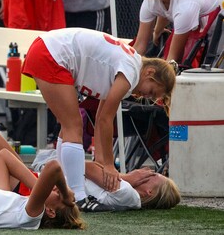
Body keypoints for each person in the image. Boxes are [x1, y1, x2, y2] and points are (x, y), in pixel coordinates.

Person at [21, 27, 176, 208]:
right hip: (51, 53)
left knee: (68, 126)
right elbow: (105, 119)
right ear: (149, 72)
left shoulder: (130, 66)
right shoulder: (131, 72)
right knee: (74, 126)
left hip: (48, 49)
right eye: (151, 92)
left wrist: (102, 162)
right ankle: (78, 197)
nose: (145, 96)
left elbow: (101, 116)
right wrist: (109, 166)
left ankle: (65, 181)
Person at [0, 121, 181, 211]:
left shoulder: (130, 196)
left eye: (153, 175)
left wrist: (126, 176)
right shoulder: (125, 194)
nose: (147, 171)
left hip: (37, 190)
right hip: (37, 184)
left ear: (150, 191)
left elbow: (85, 166)